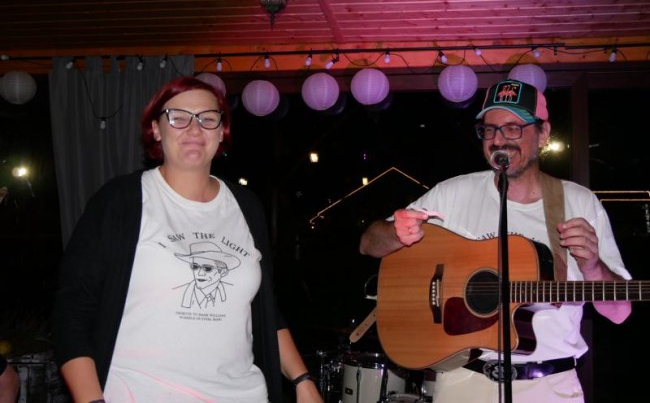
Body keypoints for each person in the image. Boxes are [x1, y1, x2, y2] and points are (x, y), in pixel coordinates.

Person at [52, 76, 323, 403]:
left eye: (207, 119)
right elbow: (72, 312)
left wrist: (303, 380)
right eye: (178, 118)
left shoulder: (246, 206)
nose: (194, 129)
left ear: (221, 132)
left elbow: (265, 310)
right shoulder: (120, 200)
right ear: (156, 129)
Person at [359, 79, 632, 403]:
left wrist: (593, 266)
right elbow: (368, 243)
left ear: (543, 133)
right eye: (489, 130)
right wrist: (395, 234)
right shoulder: (453, 193)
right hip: (462, 381)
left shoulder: (578, 202)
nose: (499, 140)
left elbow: (619, 312)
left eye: (513, 128)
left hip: (550, 387)